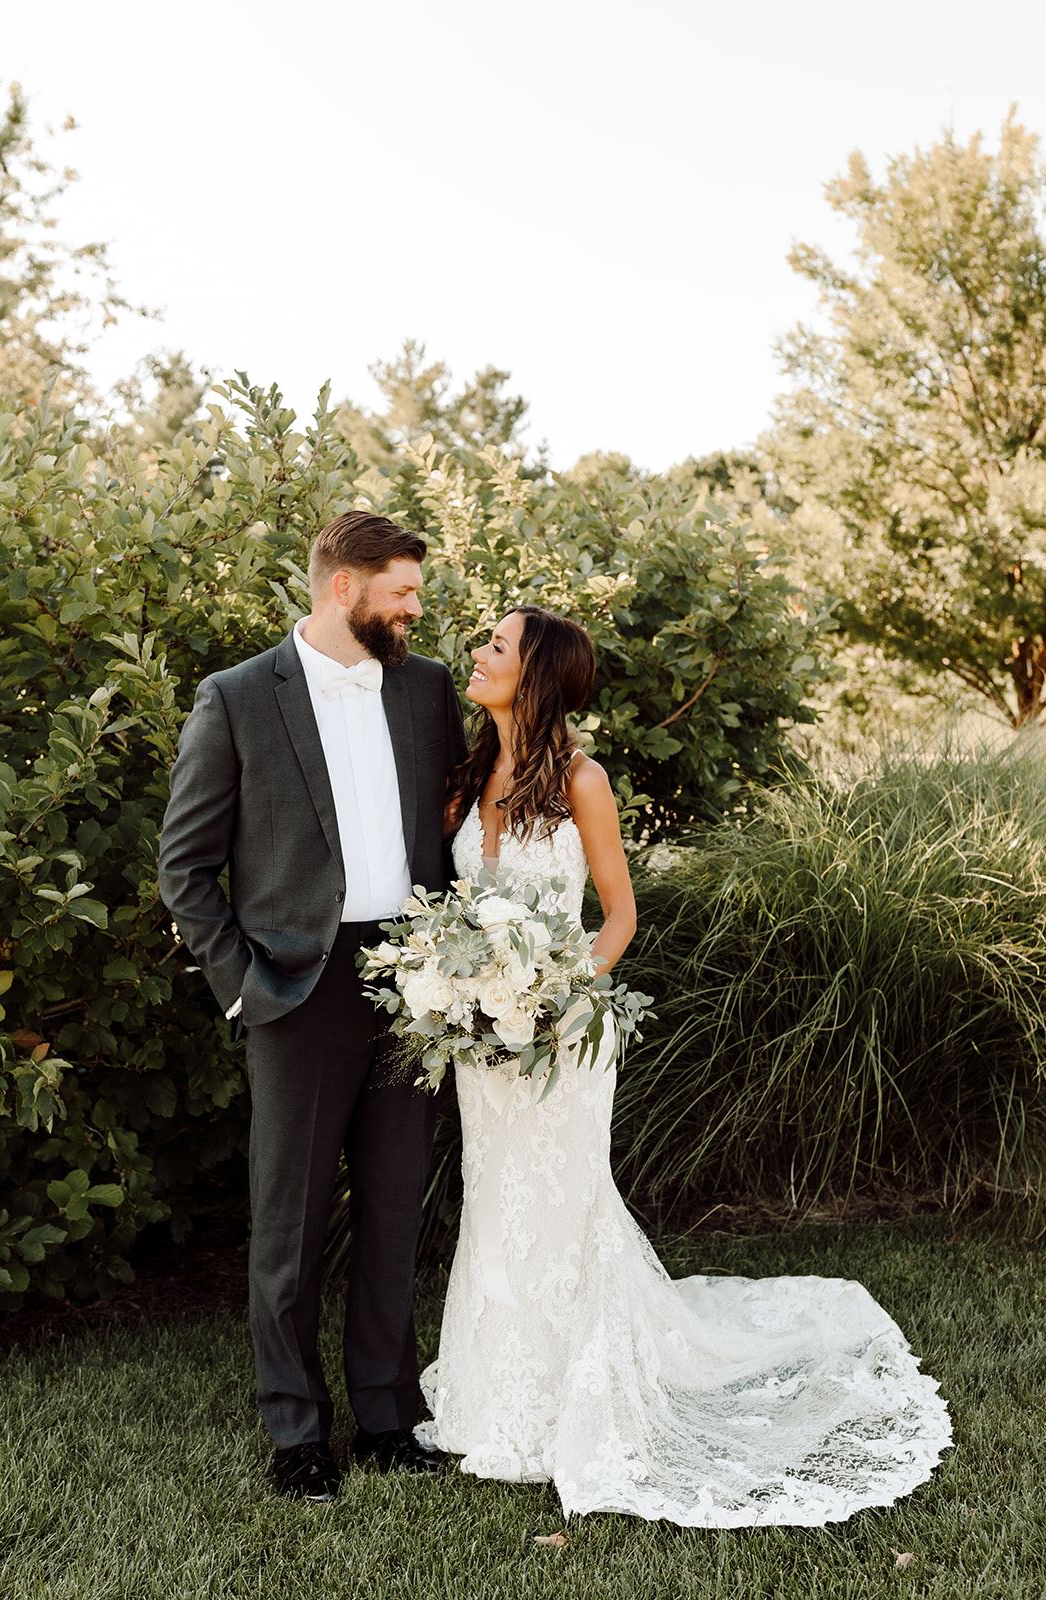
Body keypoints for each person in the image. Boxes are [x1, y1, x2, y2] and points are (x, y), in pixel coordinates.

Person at [417, 603, 953, 1525]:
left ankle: (576, 1398)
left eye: (496, 646)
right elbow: (452, 910)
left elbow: (617, 915)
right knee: (494, 1195)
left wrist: (550, 992)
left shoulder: (583, 781)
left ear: (535, 675)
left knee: (562, 1198)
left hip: (564, 1032)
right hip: (480, 1040)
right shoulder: (463, 782)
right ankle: (494, 1395)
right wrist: (461, 990)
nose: (477, 653)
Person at [158, 511, 466, 1502]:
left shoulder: (425, 689)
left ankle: (386, 1414)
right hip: (297, 982)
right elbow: (186, 867)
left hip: (411, 975)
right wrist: (243, 983)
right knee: (287, 1219)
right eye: (402, 592)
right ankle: (297, 1432)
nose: (417, 609)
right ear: (345, 587)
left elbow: (451, 834)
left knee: (391, 1203)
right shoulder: (239, 698)